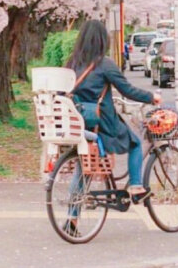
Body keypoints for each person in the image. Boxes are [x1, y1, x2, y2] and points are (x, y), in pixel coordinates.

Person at [66, 20, 161, 216]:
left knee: (83, 167)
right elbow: (127, 90)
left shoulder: (72, 63)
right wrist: (151, 97)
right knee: (134, 142)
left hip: (78, 123)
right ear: (103, 40)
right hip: (101, 123)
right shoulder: (104, 64)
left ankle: (72, 217)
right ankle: (136, 186)